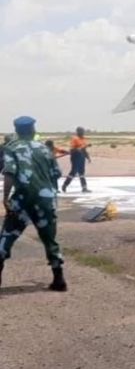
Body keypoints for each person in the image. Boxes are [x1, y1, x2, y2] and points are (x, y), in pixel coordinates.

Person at [1, 116, 66, 291]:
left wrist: (5, 198)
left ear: (17, 131)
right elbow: (56, 174)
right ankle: (59, 279)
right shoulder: (45, 149)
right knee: (49, 238)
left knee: (7, 237)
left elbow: (9, 173)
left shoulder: (11, 148)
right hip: (46, 201)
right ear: (33, 129)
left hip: (22, 200)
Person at [61, 126, 91, 193]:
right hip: (75, 157)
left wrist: (88, 157)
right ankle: (65, 185)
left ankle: (84, 188)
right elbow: (72, 149)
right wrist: (78, 149)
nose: (83, 132)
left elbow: (84, 150)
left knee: (82, 172)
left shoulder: (83, 139)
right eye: (81, 131)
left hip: (82, 157)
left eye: (83, 131)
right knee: (74, 172)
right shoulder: (75, 139)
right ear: (78, 132)